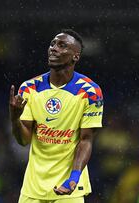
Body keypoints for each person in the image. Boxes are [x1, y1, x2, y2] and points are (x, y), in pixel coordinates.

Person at [9, 29, 104, 203]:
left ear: (75, 56)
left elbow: (86, 140)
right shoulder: (29, 88)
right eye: (52, 44)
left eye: (62, 45)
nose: (53, 48)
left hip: (69, 189)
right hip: (33, 188)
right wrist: (15, 118)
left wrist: (74, 178)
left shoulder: (90, 92)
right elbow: (23, 141)